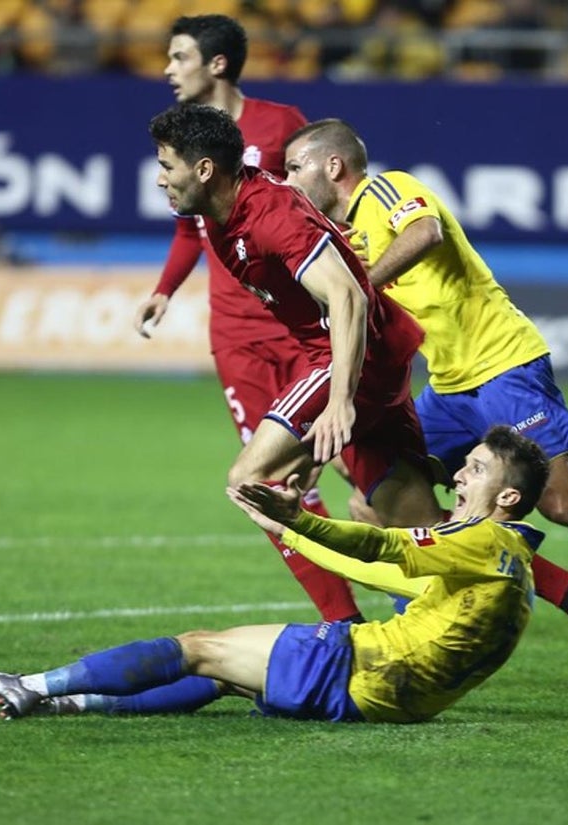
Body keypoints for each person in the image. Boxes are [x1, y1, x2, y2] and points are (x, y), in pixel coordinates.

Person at [283, 119, 568, 687]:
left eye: (295, 167)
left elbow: (426, 234)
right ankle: (434, 624)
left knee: (565, 504)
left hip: (505, 366)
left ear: (333, 166)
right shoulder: (345, 237)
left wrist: (360, 289)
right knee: (376, 501)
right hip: (448, 389)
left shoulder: (388, 190)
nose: (288, 180)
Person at [0, 426, 550, 723]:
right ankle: (70, 703)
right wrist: (287, 531)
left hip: (361, 668)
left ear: (508, 497)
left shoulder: (479, 537)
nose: (460, 478)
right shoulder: (508, 565)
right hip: (398, 699)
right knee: (231, 675)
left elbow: (378, 542)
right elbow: (373, 570)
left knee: (199, 648)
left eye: (475, 470)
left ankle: (31, 684)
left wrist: (299, 519)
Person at [133, 15, 362, 624]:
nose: (167, 68)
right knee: (282, 487)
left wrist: (345, 260)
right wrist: (166, 289)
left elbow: (316, 204)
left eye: (178, 56)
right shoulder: (195, 181)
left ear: (217, 64)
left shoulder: (276, 130)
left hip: (312, 335)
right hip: (239, 337)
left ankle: (462, 591)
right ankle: (345, 625)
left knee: (371, 486)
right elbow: (192, 227)